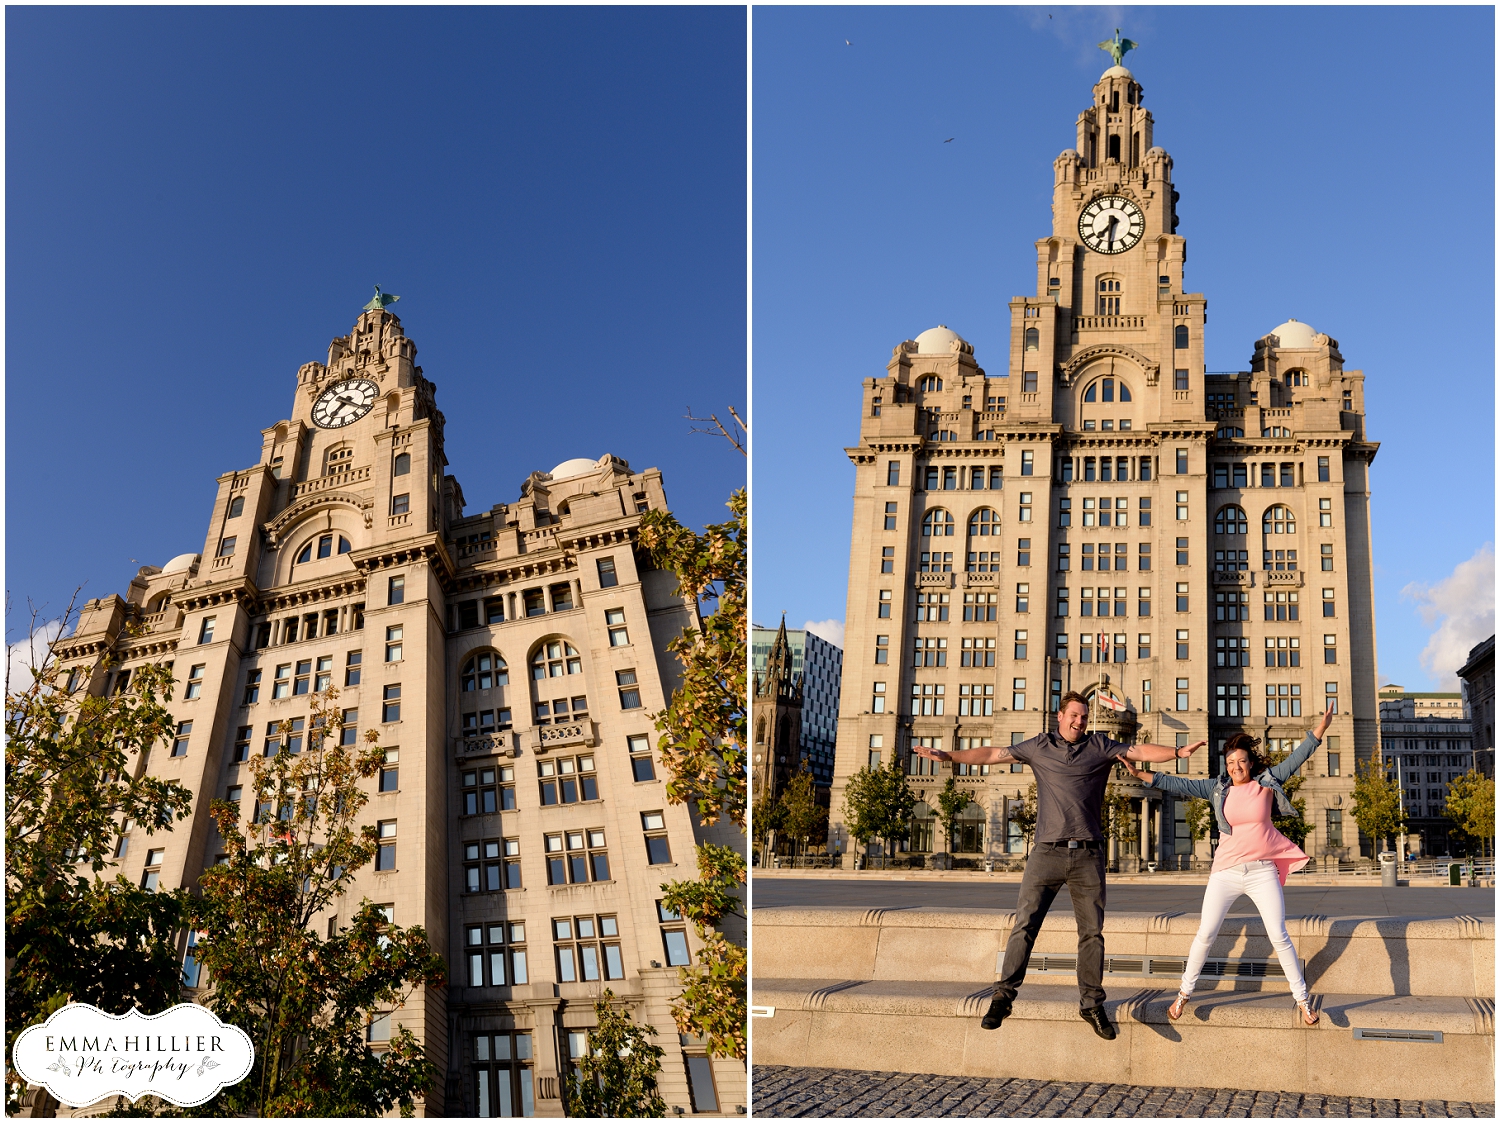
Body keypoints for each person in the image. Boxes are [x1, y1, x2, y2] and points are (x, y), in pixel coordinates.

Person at [912, 691, 1203, 1041]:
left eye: (1084, 716)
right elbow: (993, 753)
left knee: (1092, 933)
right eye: (1074, 716)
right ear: (1060, 715)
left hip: (1088, 856)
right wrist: (949, 755)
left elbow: (1138, 751)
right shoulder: (1039, 746)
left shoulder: (1099, 745)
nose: (1079, 721)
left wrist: (1177, 752)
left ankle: (1091, 1004)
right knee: (1024, 926)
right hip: (1046, 854)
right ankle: (1003, 997)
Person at [1115, 701, 1336, 1027]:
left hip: (1262, 872)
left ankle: (1303, 1001)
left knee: (1278, 935)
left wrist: (1321, 728)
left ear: (1251, 762)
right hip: (1226, 874)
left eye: (1241, 761)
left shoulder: (1266, 782)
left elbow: (1298, 757)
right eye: (1231, 762)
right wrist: (1141, 774)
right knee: (1206, 933)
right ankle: (1183, 995)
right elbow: (1180, 784)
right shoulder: (1218, 788)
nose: (1236, 766)